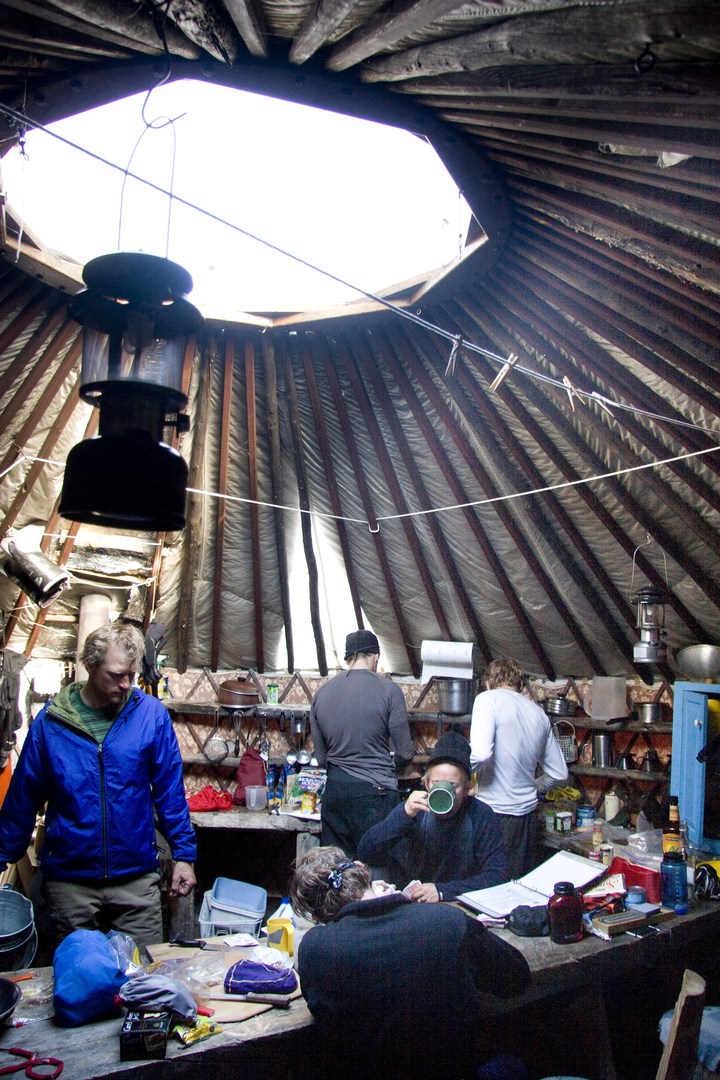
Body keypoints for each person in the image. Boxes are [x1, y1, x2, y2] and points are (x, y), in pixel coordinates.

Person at [0, 621, 196, 949]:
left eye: (131, 676)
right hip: (70, 883)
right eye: (116, 675)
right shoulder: (51, 723)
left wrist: (184, 856)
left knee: (144, 976)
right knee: (77, 983)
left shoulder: (150, 717)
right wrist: (3, 854)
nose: (125, 684)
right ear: (90, 665)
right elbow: (24, 797)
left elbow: (170, 794)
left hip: (135, 879)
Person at [290, 846, 531, 1080]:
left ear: (317, 916)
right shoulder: (447, 921)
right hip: (447, 1071)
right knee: (512, 1061)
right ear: (363, 870)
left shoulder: (315, 948)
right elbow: (516, 978)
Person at [357, 729, 507, 901]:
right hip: (415, 903)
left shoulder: (480, 814)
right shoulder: (414, 810)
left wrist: (443, 891)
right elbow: (366, 852)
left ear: (467, 788)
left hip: (458, 902)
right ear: (427, 783)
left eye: (453, 785)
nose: (444, 789)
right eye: (437, 782)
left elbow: (498, 875)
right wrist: (403, 815)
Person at [310, 629, 415, 857]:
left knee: (338, 871)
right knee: (378, 869)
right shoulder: (389, 690)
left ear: (348, 658)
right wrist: (390, 767)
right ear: (375, 656)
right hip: (375, 796)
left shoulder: (321, 693)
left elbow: (320, 759)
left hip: (335, 793)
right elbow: (405, 753)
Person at [470, 657, 568, 879]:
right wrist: (533, 787)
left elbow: (481, 753)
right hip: (527, 819)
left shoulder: (487, 700)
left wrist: (465, 778)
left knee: (488, 887)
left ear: (488, 682)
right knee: (517, 887)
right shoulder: (538, 713)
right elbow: (559, 773)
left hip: (492, 814)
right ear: (521, 685)